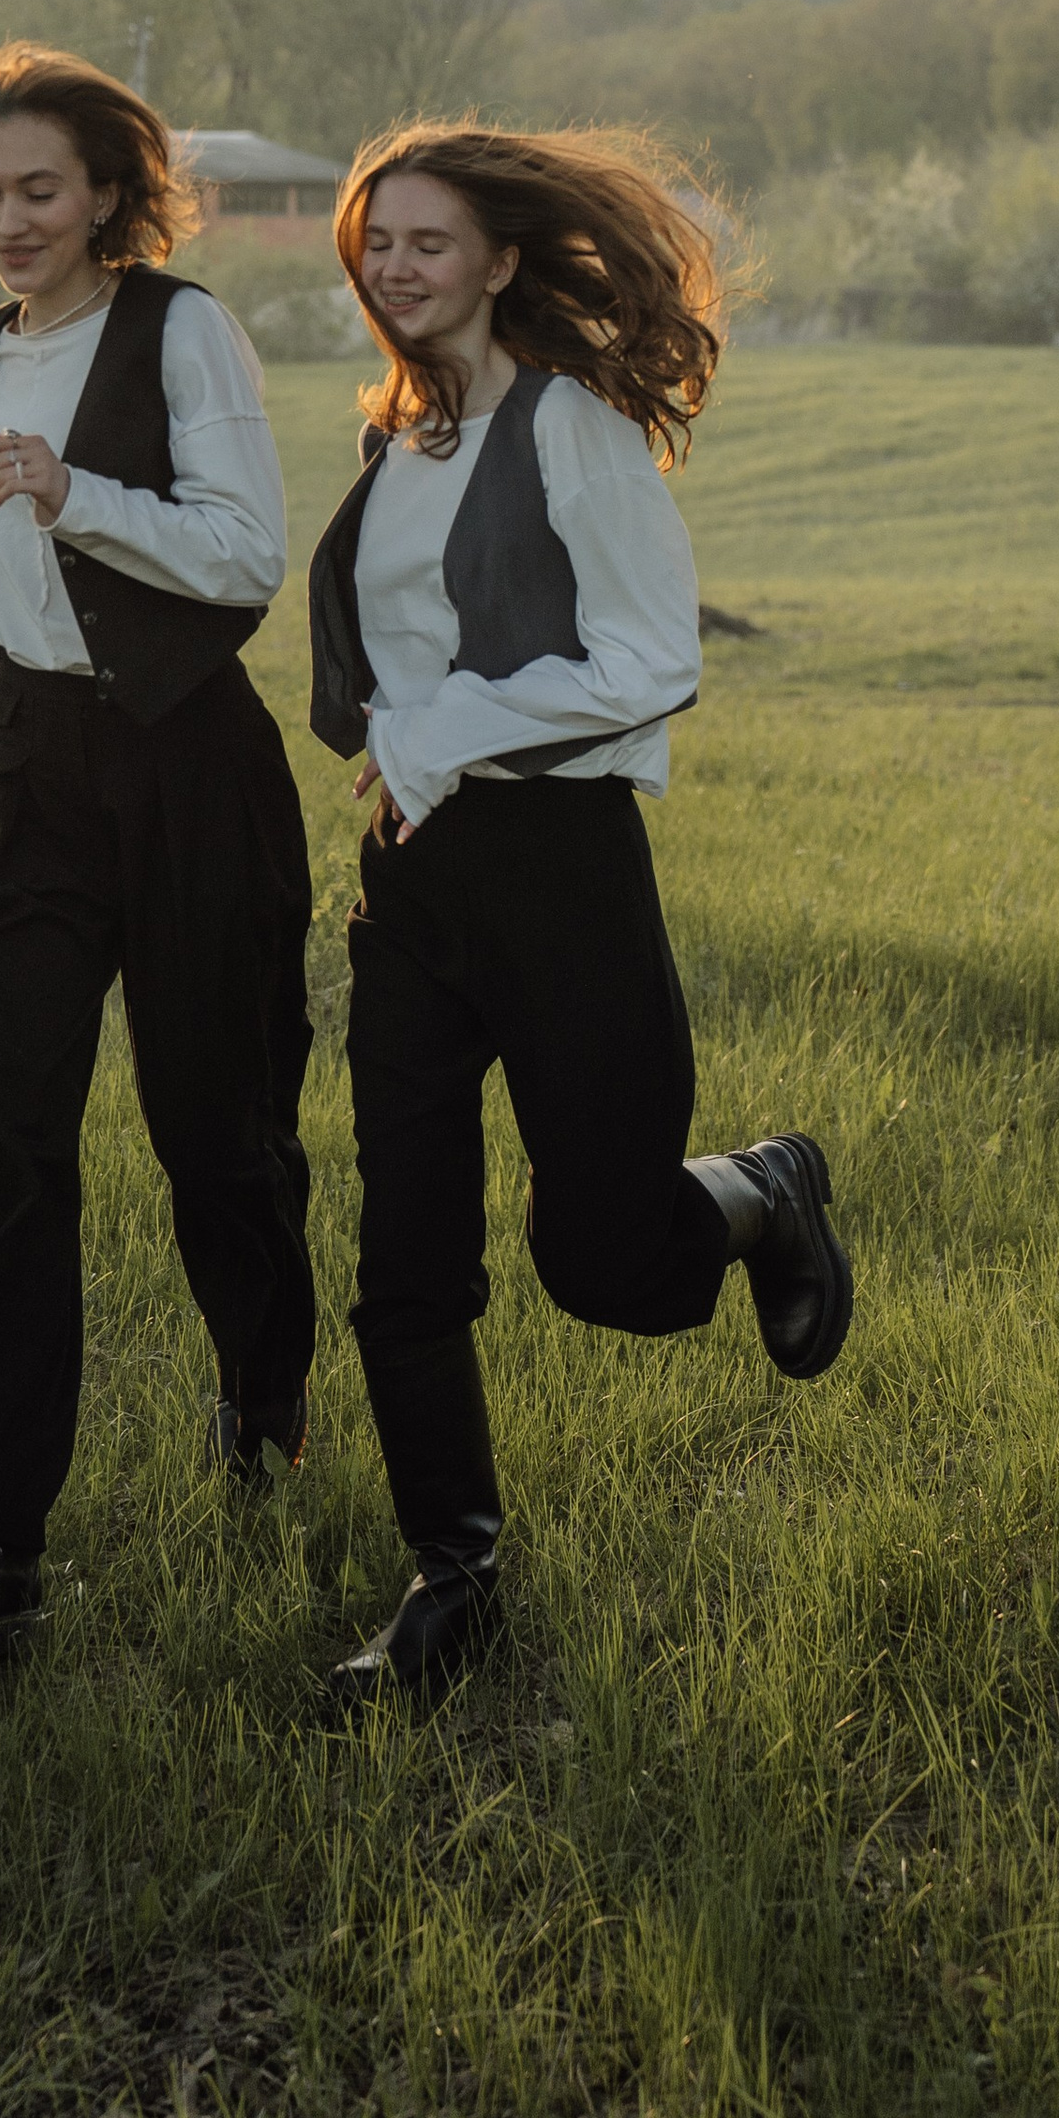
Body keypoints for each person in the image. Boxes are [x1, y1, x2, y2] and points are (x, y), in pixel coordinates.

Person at [306, 122, 852, 1715]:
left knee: (604, 1263)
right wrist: (399, 751)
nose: (396, 269)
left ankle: (760, 1194)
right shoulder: (394, 446)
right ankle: (451, 1581)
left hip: (562, 876)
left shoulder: (576, 430)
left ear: (499, 258)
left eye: (426, 241)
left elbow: (649, 661)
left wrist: (444, 732)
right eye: (375, 245)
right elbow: (396, 670)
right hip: (412, 888)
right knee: (403, 1250)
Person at [0, 43, 314, 1672]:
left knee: (214, 1126)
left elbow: (242, 555)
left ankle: (262, 1391)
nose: (10, 219)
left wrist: (76, 489)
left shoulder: (184, 329)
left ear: (109, 189)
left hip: (187, 767)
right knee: (7, 1134)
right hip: (31, 767)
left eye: (41, 189)